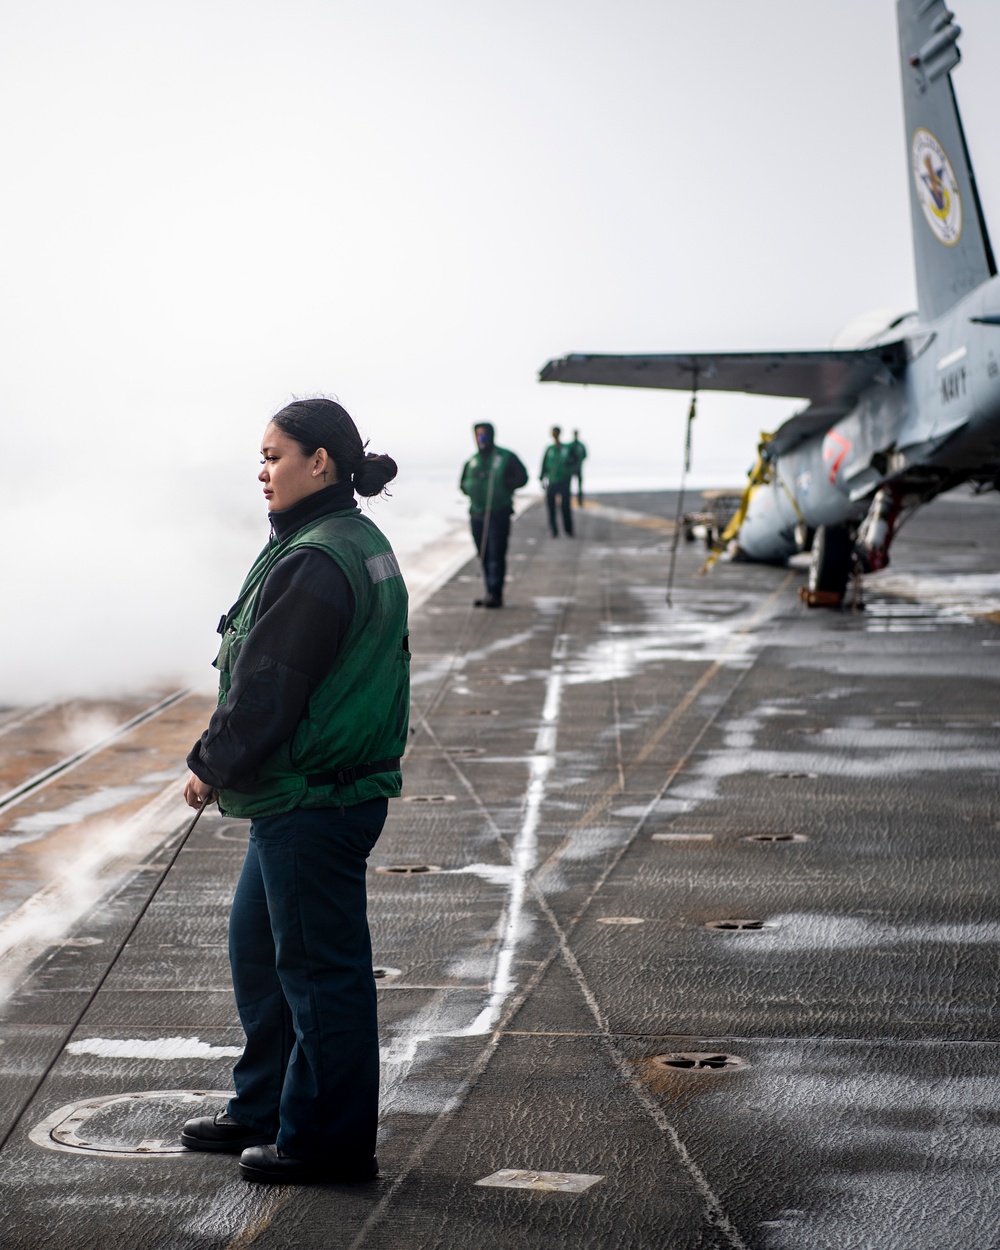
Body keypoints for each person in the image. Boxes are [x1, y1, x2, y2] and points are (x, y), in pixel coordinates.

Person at [179, 397, 409, 1185]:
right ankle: (265, 1104)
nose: (262, 469)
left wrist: (212, 763)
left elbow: (270, 687)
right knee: (259, 949)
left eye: (275, 454)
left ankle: (328, 1141)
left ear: (321, 462)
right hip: (305, 794)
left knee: (319, 975)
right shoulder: (342, 539)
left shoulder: (317, 557)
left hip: (315, 799)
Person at [459, 422, 528, 608]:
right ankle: (489, 590)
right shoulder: (472, 461)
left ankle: (495, 594)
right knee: (483, 553)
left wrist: (507, 484)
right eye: (478, 435)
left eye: (484, 435)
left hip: (498, 513)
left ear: (491, 435)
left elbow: (523, 477)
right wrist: (470, 489)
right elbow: (462, 484)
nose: (481, 439)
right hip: (477, 513)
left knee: (496, 553)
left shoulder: (505, 457)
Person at [540, 426, 577, 537]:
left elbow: (576, 460)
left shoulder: (567, 448)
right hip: (552, 481)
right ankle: (553, 530)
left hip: (564, 480)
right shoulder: (549, 449)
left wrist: (570, 468)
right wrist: (542, 478)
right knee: (551, 507)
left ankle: (568, 529)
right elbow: (544, 464)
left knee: (565, 506)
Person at [567, 428, 587, 506]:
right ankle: (571, 501)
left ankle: (580, 501)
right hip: (572, 468)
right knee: (570, 486)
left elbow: (585, 455)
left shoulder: (580, 445)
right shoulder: (571, 446)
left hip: (578, 468)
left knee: (579, 486)